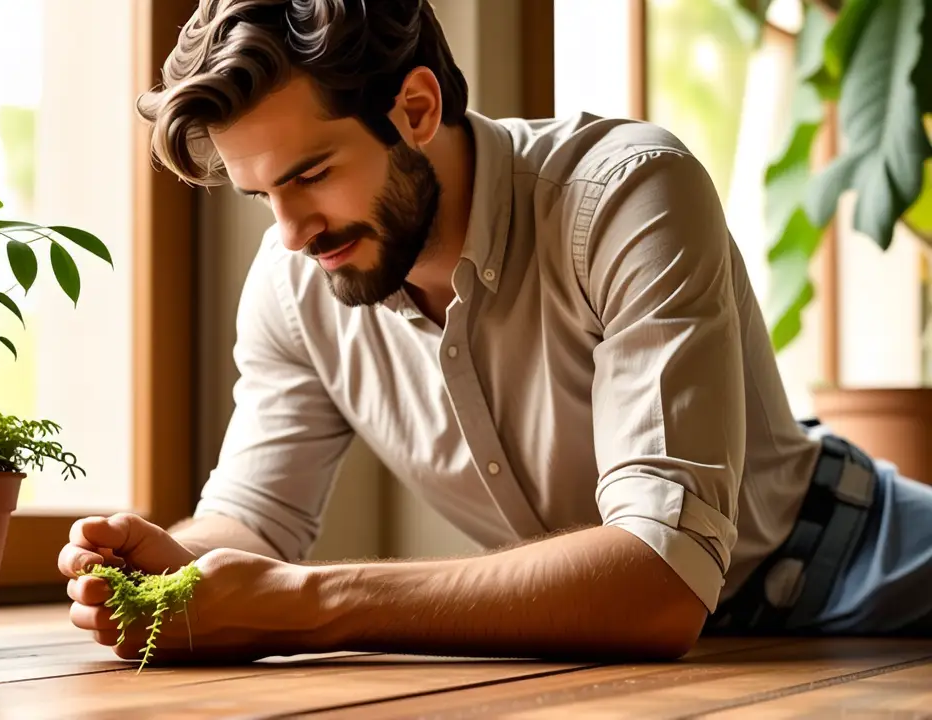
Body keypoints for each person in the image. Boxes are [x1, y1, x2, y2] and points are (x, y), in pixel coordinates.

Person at [58, 0, 932, 663]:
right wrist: (171, 569)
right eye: (261, 196)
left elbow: (662, 579)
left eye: (312, 174)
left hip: (858, 557)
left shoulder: (627, 196)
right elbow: (253, 522)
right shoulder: (295, 287)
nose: (290, 233)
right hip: (672, 648)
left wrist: (307, 603)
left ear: (416, 108)